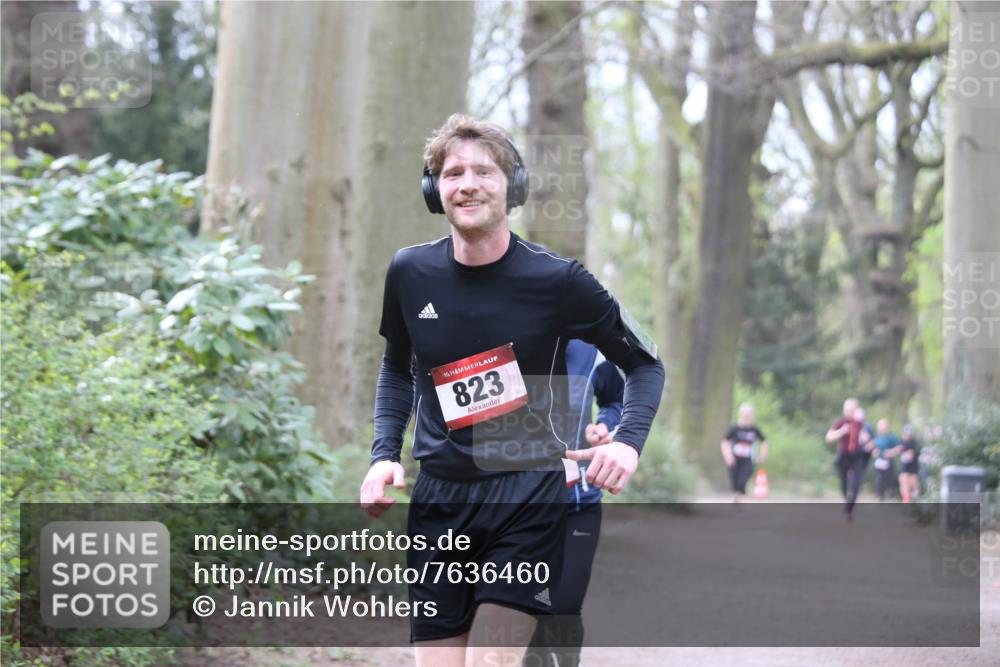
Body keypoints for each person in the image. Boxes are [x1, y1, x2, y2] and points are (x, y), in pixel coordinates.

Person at [358, 114, 664, 667]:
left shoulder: (558, 281)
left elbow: (645, 362)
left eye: (482, 171)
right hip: (440, 499)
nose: (467, 183)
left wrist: (627, 440)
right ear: (435, 190)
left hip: (526, 497)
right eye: (452, 173)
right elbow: (397, 369)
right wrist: (383, 455)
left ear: (512, 186)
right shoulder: (410, 272)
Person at [523, 339, 624, 667]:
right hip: (521, 505)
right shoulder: (511, 336)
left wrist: (605, 426)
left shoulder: (592, 351)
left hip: (578, 504)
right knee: (528, 603)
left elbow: (614, 399)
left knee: (565, 604)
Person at [825, 398, 873, 521]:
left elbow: (868, 439)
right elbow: (829, 437)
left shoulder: (860, 424)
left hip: (856, 456)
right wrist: (842, 431)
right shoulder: (841, 422)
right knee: (844, 483)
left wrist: (865, 438)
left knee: (857, 483)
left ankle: (850, 507)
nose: (850, 412)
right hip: (844, 455)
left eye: (852, 409)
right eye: (848, 409)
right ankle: (847, 499)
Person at [720, 403, 769, 503]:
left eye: (748, 414)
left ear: (752, 415)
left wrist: (763, 454)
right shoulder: (735, 428)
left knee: (743, 480)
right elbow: (724, 441)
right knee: (735, 481)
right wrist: (727, 455)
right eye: (744, 414)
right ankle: (737, 496)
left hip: (748, 459)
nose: (746, 416)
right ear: (741, 414)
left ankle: (739, 498)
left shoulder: (754, 429)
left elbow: (764, 441)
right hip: (735, 459)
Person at [870, 418, 901, 501]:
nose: (882, 429)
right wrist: (874, 452)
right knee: (879, 479)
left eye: (884, 427)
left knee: (889, 479)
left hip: (888, 462)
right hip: (878, 462)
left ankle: (890, 493)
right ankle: (880, 496)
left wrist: (891, 452)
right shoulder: (875, 437)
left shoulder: (891, 437)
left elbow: (899, 447)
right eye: (881, 427)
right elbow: (870, 448)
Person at [893, 424, 921, 503]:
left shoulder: (914, 442)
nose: (907, 435)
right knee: (903, 480)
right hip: (904, 466)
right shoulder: (901, 441)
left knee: (913, 482)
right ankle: (906, 499)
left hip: (913, 466)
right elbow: (899, 450)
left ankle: (915, 497)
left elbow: (912, 454)